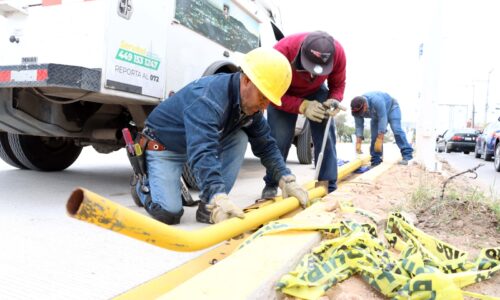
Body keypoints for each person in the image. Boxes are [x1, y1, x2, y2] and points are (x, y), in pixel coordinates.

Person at [132, 48, 309, 225]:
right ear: (247, 80)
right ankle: (142, 186)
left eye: (268, 101)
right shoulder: (208, 98)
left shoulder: (249, 106)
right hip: (164, 147)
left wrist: (286, 180)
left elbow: (266, 145)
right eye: (263, 97)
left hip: (190, 145)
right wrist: (218, 196)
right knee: (169, 213)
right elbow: (203, 151)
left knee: (240, 137)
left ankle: (207, 206)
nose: (264, 107)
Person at [261, 31, 347, 199]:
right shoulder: (281, 51)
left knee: (326, 133)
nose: (313, 75)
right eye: (310, 67)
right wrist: (301, 105)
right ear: (301, 52)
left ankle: (328, 183)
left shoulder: (339, 53)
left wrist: (333, 100)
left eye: (319, 71)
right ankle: (272, 183)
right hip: (282, 90)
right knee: (279, 138)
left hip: (316, 91)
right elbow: (269, 93)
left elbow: (338, 84)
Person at [350, 91, 414, 166]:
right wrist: (358, 141)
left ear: (365, 105)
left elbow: (383, 118)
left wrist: (380, 138)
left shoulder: (376, 100)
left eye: (361, 112)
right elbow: (359, 126)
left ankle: (407, 156)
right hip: (376, 116)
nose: (360, 114)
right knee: (374, 137)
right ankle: (376, 160)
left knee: (396, 130)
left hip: (392, 108)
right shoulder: (356, 110)